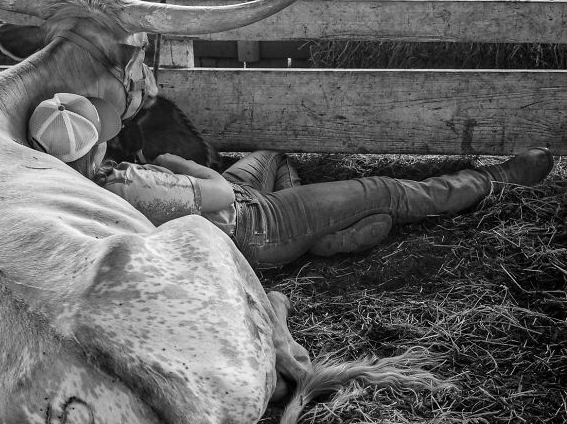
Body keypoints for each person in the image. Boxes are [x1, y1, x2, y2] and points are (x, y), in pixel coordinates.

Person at [28, 93, 554, 269]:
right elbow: (205, 197)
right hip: (258, 224)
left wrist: (180, 171)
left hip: (234, 197)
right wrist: (180, 166)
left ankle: (326, 231)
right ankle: (497, 179)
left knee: (269, 153)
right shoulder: (116, 191)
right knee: (383, 189)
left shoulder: (67, 180)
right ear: (95, 142)